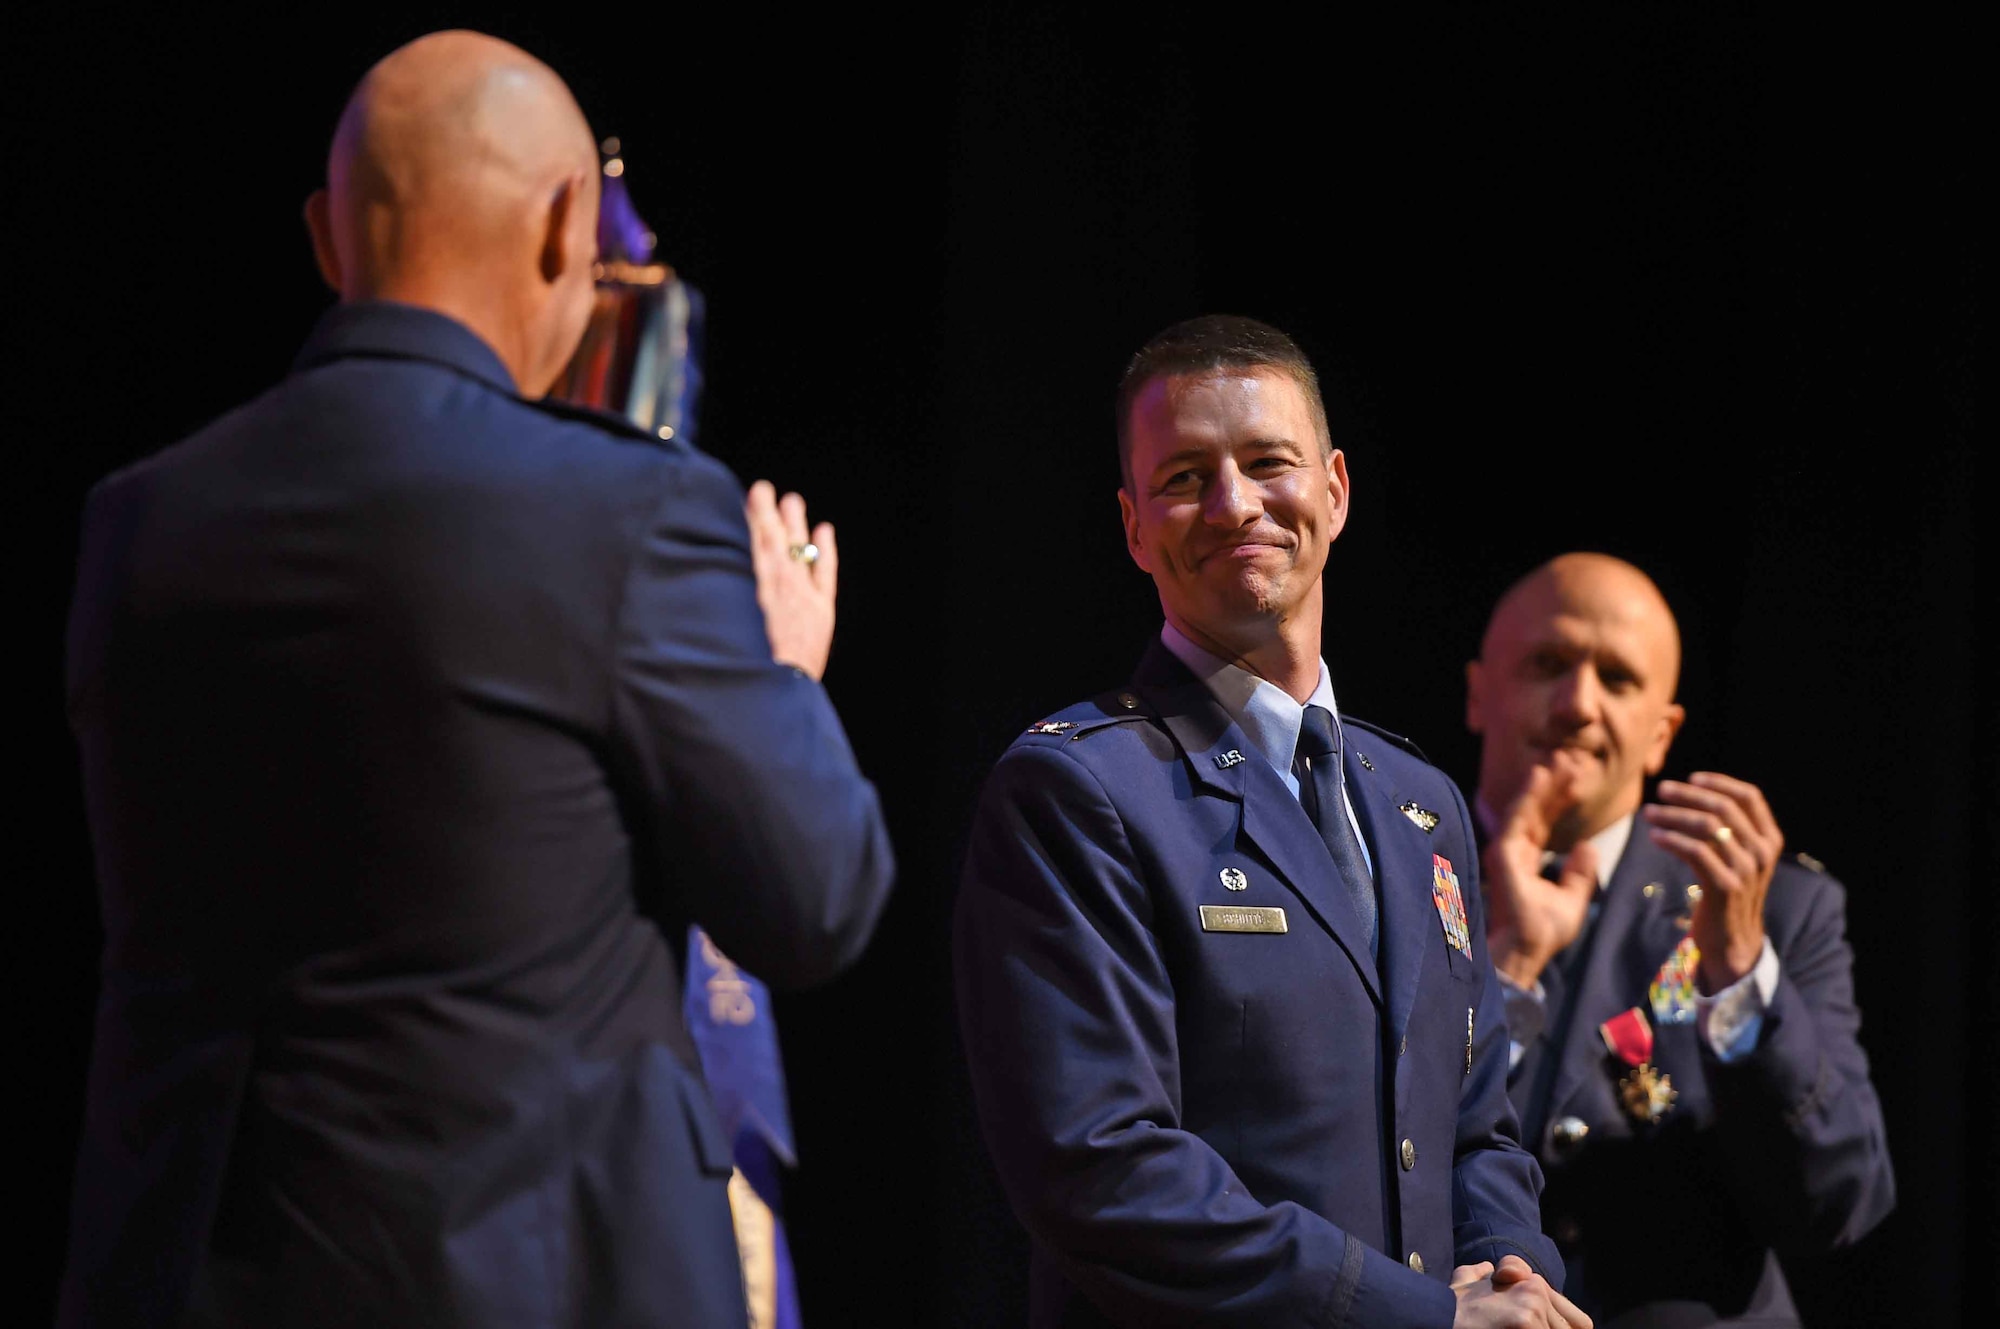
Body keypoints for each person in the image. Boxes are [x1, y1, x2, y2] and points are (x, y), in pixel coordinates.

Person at [58, 30, 893, 1328]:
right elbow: (814, 900)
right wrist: (783, 672)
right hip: (534, 1281)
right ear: (570, 227)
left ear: (330, 242)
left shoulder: (139, 526)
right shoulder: (629, 511)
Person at [954, 315, 1587, 1329]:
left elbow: (1476, 1132)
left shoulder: (1417, 802)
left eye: (1265, 462)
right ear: (1131, 527)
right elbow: (1103, 1173)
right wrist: (1423, 1318)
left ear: (1333, 491)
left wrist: (1510, 1276)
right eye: (1182, 478)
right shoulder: (1077, 793)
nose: (1232, 504)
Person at [1465, 553, 1894, 1328]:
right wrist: (1510, 964)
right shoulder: (1387, 868)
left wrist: (1735, 972)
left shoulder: (1773, 908)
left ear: (1662, 734)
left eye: (1619, 679)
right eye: (1547, 663)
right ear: (1477, 693)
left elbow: (1837, 1201)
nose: (1578, 703)